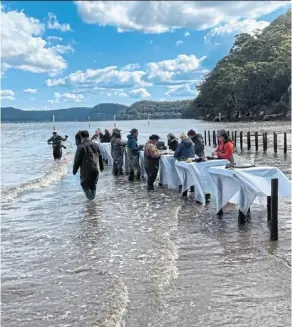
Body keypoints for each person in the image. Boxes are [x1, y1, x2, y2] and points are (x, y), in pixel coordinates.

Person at [73, 130, 104, 200]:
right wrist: (102, 167)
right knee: (93, 184)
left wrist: (74, 170)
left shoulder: (81, 147)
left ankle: (91, 201)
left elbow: (77, 160)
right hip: (96, 168)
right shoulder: (95, 145)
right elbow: (100, 156)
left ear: (81, 136)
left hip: (86, 169)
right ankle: (93, 203)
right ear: (88, 135)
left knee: (84, 184)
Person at [174, 133, 196, 198]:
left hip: (184, 163)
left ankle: (184, 195)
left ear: (182, 138)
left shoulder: (181, 144)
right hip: (192, 162)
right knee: (192, 178)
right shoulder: (192, 143)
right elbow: (193, 152)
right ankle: (193, 194)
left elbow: (176, 154)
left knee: (184, 178)